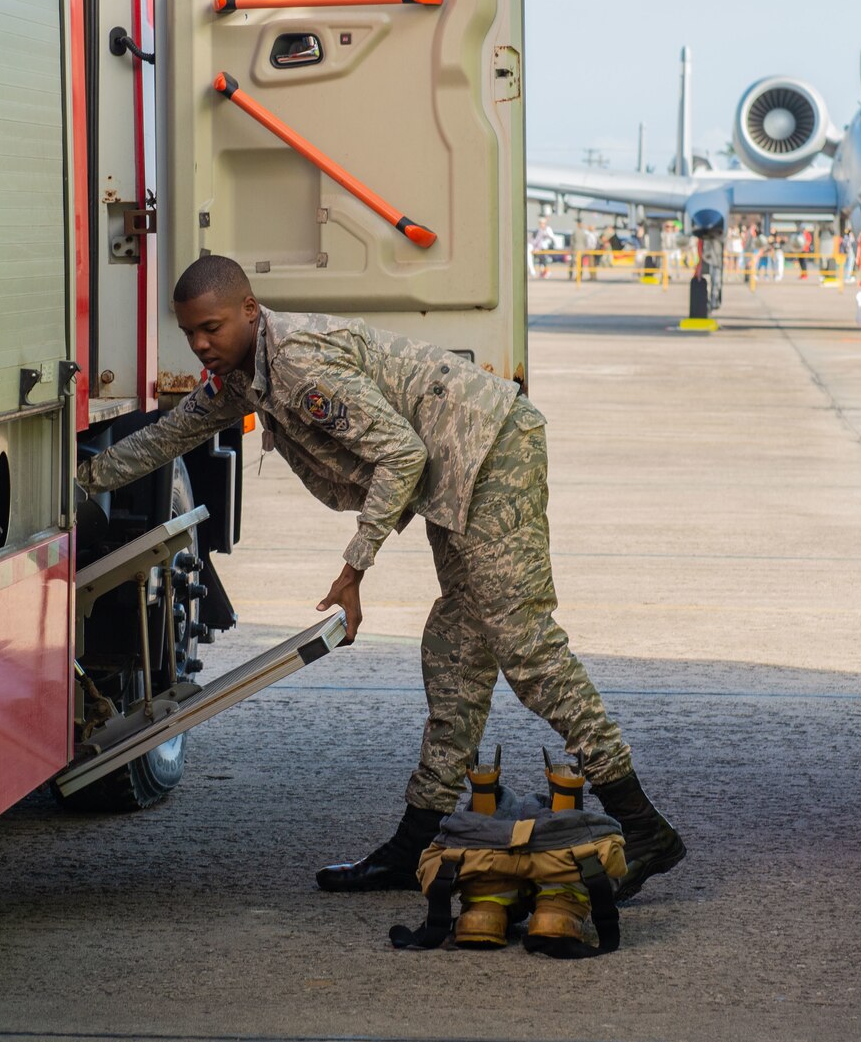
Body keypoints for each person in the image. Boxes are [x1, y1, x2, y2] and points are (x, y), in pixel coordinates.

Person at [77, 256, 686, 900]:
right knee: (454, 649)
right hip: (458, 469)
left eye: (213, 328)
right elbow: (168, 435)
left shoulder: (297, 365)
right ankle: (416, 844)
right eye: (191, 333)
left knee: (525, 645)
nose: (201, 344)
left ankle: (642, 826)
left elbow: (403, 453)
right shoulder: (244, 376)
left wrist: (355, 565)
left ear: (250, 311)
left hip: (490, 451)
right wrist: (78, 483)